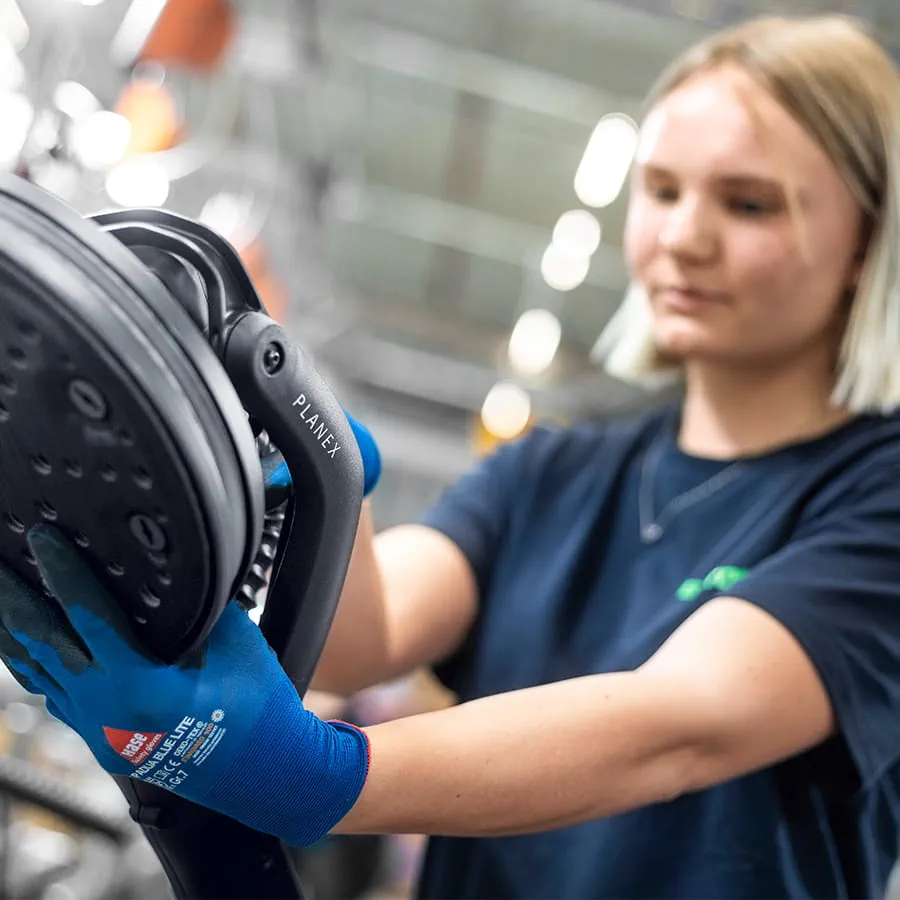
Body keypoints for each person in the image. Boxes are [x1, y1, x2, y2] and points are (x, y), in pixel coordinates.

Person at [2, 11, 900, 900]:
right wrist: (312, 470)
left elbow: (681, 730)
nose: (683, 238)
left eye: (748, 203)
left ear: (866, 239)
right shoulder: (557, 472)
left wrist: (310, 773)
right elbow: (366, 643)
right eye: (662, 191)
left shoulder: (877, 492)